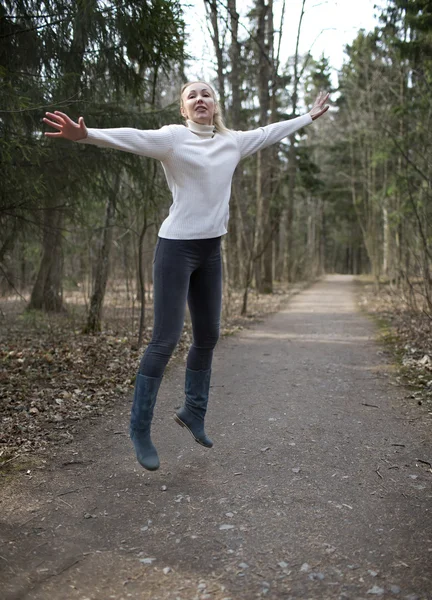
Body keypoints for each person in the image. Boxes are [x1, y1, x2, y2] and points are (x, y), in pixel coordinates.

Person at [43, 82, 329, 471]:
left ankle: (194, 411)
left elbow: (268, 132)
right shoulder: (173, 140)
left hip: (211, 251)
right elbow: (133, 138)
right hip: (176, 249)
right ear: (183, 109)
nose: (200, 99)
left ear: (215, 105)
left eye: (206, 94)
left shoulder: (233, 142)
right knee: (165, 340)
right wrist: (87, 135)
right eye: (192, 96)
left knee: (209, 335)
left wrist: (308, 117)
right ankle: (139, 429)